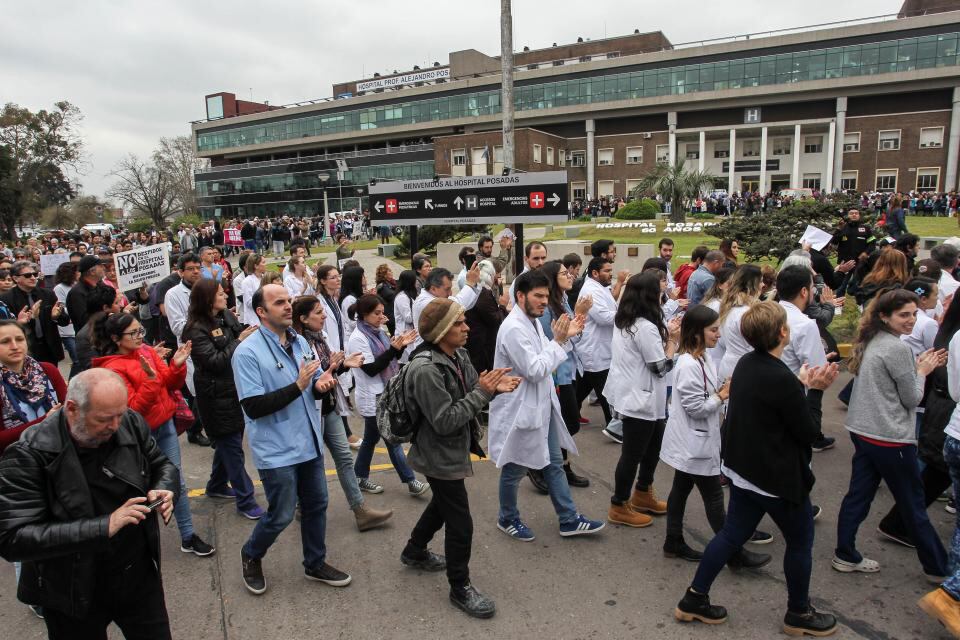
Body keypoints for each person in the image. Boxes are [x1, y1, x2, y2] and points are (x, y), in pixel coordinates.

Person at [674, 302, 840, 636]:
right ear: (782, 332)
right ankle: (798, 612)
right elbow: (809, 432)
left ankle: (694, 597)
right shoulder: (780, 378)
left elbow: (772, 400)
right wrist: (816, 392)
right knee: (799, 541)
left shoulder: (749, 363)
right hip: (776, 478)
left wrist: (800, 385)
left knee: (730, 534)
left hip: (743, 471)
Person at [0, 368, 178, 639]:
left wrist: (163, 489)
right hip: (72, 589)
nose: (116, 426)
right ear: (72, 409)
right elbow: (13, 538)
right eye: (105, 419)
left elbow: (160, 464)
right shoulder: (29, 454)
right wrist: (104, 526)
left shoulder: (128, 421)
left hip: (136, 575)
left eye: (120, 414)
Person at [402, 297, 519, 618]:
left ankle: (414, 550)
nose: (466, 328)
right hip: (438, 452)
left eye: (465, 321)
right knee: (461, 523)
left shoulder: (459, 355)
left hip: (453, 449)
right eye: (458, 323)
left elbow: (471, 392)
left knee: (442, 504)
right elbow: (444, 420)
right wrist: (483, 392)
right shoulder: (426, 370)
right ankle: (460, 587)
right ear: (440, 331)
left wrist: (493, 387)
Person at [232, 284, 349, 595]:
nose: (288, 306)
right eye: (279, 302)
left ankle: (315, 562)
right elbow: (253, 407)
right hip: (277, 449)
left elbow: (309, 387)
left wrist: (319, 386)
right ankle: (251, 553)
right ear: (261, 312)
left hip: (309, 440)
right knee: (282, 514)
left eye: (289, 300)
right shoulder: (247, 353)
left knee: (317, 504)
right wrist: (300, 386)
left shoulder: (299, 342)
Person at [835, 289, 950, 582]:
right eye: (904, 315)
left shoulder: (873, 339)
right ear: (885, 316)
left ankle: (845, 553)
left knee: (858, 496)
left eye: (914, 313)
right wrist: (922, 370)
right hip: (889, 437)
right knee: (913, 504)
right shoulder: (897, 348)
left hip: (863, 430)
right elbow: (912, 398)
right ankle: (939, 568)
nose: (911, 320)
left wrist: (916, 368)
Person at [489, 270, 604, 541]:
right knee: (514, 467)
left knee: (554, 462)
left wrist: (568, 334)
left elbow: (549, 354)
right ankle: (507, 517)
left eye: (546, 296)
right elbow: (535, 369)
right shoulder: (514, 329)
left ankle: (568, 518)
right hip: (522, 410)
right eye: (537, 296)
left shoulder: (532, 322)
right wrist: (559, 341)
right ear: (520, 296)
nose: (544, 301)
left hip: (541, 405)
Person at [91, 313, 215, 558]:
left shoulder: (146, 351)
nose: (139, 337)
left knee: (175, 482)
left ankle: (188, 536)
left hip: (165, 427)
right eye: (133, 333)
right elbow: (132, 411)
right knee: (137, 491)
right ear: (116, 338)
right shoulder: (111, 368)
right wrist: (150, 381)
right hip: (136, 438)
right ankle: (136, 544)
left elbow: (168, 384)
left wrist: (177, 366)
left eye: (140, 331)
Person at [658, 306, 771, 567]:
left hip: (697, 441)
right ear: (697, 333)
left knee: (680, 489)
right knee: (714, 497)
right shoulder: (687, 365)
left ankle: (673, 540)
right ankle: (732, 552)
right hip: (694, 443)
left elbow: (705, 396)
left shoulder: (704, 358)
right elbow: (696, 408)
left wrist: (720, 390)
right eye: (713, 329)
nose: (719, 335)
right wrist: (722, 395)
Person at [292, 296, 393, 531]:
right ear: (304, 319)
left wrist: (343, 364)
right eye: (318, 313)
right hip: (310, 411)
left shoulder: (320, 338)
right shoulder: (297, 344)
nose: (324, 315)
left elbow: (327, 371)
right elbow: (312, 376)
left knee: (345, 459)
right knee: (308, 463)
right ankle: (300, 504)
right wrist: (336, 367)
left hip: (329, 408)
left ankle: (361, 511)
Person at [182, 279, 265, 520]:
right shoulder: (195, 329)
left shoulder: (226, 317)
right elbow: (215, 362)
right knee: (231, 447)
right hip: (215, 396)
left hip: (234, 390)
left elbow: (240, 332)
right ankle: (246, 500)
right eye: (220, 293)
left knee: (229, 444)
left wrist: (248, 333)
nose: (225, 295)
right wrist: (239, 341)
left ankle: (216, 485)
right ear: (208, 299)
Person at [603, 272, 680, 527]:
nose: (663, 296)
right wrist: (673, 343)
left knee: (653, 447)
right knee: (633, 454)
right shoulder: (644, 327)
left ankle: (643, 493)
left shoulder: (625, 320)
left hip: (641, 396)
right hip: (640, 399)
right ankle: (619, 504)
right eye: (660, 292)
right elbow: (659, 367)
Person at [347, 294, 425, 495]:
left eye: (382, 312)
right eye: (377, 313)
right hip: (372, 397)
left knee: (372, 439)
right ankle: (411, 481)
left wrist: (400, 347)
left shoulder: (377, 331)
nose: (382, 317)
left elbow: (391, 358)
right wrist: (393, 349)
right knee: (392, 439)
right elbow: (371, 368)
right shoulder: (358, 338)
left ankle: (359, 476)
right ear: (364, 315)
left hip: (385, 393)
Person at [919, 297, 960, 632]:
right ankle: (953, 592)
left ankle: (953, 587)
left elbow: (956, 390)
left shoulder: (956, 335)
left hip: (954, 432)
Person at [539, 260, 592, 488]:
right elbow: (548, 342)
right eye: (564, 273)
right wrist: (577, 318)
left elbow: (576, 336)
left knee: (567, 422)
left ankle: (561, 466)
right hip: (556, 373)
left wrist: (579, 316)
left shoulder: (563, 301)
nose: (570, 275)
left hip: (569, 369)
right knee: (569, 422)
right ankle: (544, 467)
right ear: (552, 278)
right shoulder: (547, 309)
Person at [776, 265, 836, 453]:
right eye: (811, 288)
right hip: (793, 394)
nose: (813, 292)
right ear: (803, 291)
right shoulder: (804, 324)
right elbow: (817, 372)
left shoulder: (770, 312)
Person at [0, 320, 66, 454]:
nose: (14, 346)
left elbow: (68, 410)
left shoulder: (48, 370)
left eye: (19, 339)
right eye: (5, 342)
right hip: (17, 459)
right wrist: (44, 422)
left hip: (59, 450)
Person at [2, 260, 71, 365]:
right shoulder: (6, 299)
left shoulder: (47, 294)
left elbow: (64, 321)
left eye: (35, 274)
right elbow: (4, 328)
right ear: (16, 278)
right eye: (28, 275)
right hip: (25, 348)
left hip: (49, 348)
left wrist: (55, 317)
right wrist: (19, 322)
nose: (33, 278)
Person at [576, 257, 615, 429]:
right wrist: (628, 314)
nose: (610, 274)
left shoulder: (599, 287)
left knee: (583, 387)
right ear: (595, 273)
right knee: (605, 390)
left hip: (598, 349)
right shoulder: (590, 291)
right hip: (594, 349)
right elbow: (604, 317)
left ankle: (567, 413)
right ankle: (613, 426)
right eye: (607, 271)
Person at [411, 267, 480, 351]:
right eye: (447, 289)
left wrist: (474, 282)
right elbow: (456, 306)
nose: (450, 293)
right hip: (427, 352)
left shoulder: (434, 297)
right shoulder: (425, 302)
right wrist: (470, 283)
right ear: (433, 288)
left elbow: (466, 305)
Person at [465, 259, 507, 376]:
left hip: (474, 343)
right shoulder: (483, 294)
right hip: (483, 346)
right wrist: (502, 306)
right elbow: (495, 320)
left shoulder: (472, 290)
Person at [53, 261, 79, 378]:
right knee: (77, 360)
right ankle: (69, 387)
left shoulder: (77, 285)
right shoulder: (59, 288)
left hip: (78, 328)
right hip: (67, 331)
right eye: (76, 271)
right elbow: (61, 308)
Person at [65, 255, 105, 331]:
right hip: (89, 339)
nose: (104, 268)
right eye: (100, 266)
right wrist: (106, 314)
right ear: (92, 271)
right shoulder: (77, 293)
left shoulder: (100, 287)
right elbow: (84, 321)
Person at [393, 269, 419, 363]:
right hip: (403, 334)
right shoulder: (402, 297)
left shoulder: (409, 295)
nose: (416, 282)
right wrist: (419, 311)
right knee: (407, 362)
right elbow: (408, 318)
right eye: (414, 280)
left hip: (410, 334)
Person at [241, 254, 266, 327]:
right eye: (263, 262)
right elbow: (249, 302)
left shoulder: (264, 277)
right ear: (256, 266)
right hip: (254, 320)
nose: (265, 264)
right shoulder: (247, 281)